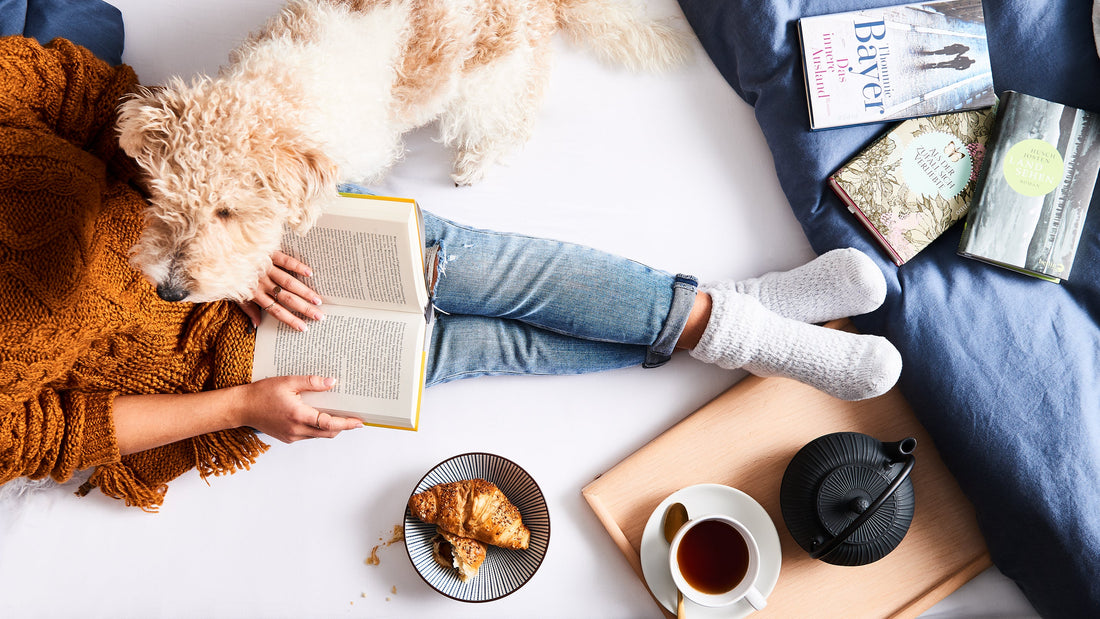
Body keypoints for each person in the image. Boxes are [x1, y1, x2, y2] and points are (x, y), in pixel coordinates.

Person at [0, 37, 900, 510]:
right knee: (504, 345)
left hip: (252, 222)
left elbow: (87, 96)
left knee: (507, 274)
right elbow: (55, 434)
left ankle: (736, 325)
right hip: (223, 374)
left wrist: (232, 222)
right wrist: (242, 410)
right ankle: (745, 317)